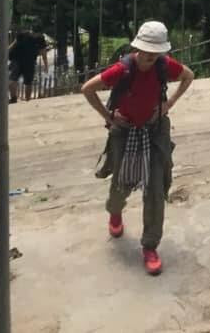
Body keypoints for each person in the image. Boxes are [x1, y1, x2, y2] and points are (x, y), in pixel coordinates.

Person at [81, 20, 194, 276]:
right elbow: (87, 89)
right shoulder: (123, 69)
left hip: (154, 131)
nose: (149, 57)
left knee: (156, 187)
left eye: (155, 53)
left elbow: (188, 75)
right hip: (124, 132)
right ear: (138, 48)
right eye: (146, 51)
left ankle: (150, 245)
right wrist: (109, 117)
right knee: (121, 183)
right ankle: (115, 212)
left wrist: (169, 104)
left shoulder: (164, 66)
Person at [8, 23, 48, 102]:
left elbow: (43, 53)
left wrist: (46, 65)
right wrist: (7, 51)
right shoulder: (23, 35)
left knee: (28, 82)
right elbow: (14, 44)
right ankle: (13, 98)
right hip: (17, 59)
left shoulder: (40, 38)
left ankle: (27, 100)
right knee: (12, 79)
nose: (35, 35)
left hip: (30, 62)